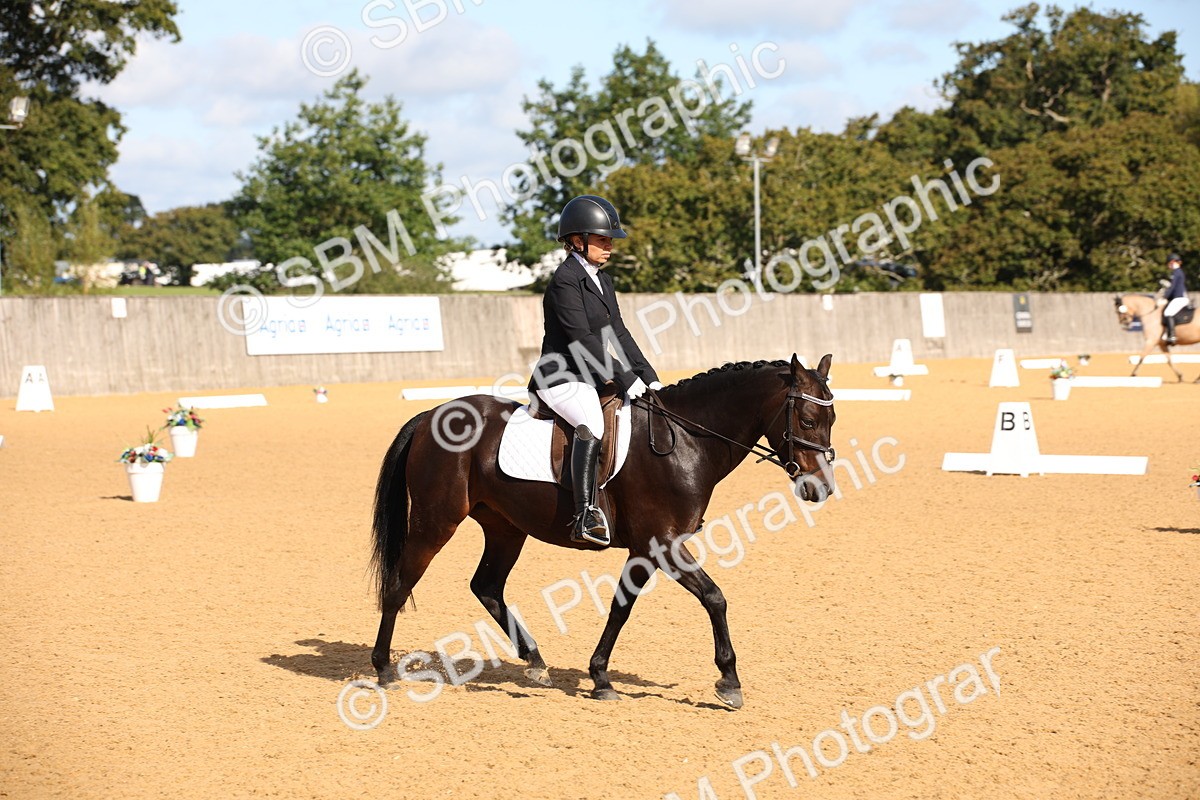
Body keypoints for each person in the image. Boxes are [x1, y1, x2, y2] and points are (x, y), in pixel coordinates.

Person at [527, 195, 663, 546]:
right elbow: (582, 339)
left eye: (610, 240)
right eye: (603, 239)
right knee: (592, 422)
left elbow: (617, 332)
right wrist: (623, 378)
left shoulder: (603, 281)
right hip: (559, 376)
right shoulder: (564, 281)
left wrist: (647, 376)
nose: (609, 246)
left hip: (590, 374)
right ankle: (584, 514)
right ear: (576, 240)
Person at [1161, 253, 1189, 344]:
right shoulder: (1178, 272)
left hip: (1179, 298)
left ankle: (1172, 335)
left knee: (1167, 312)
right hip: (1179, 297)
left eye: (1169, 263)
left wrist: (1165, 297)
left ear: (1172, 262)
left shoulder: (1176, 272)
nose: (1168, 265)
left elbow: (1173, 287)